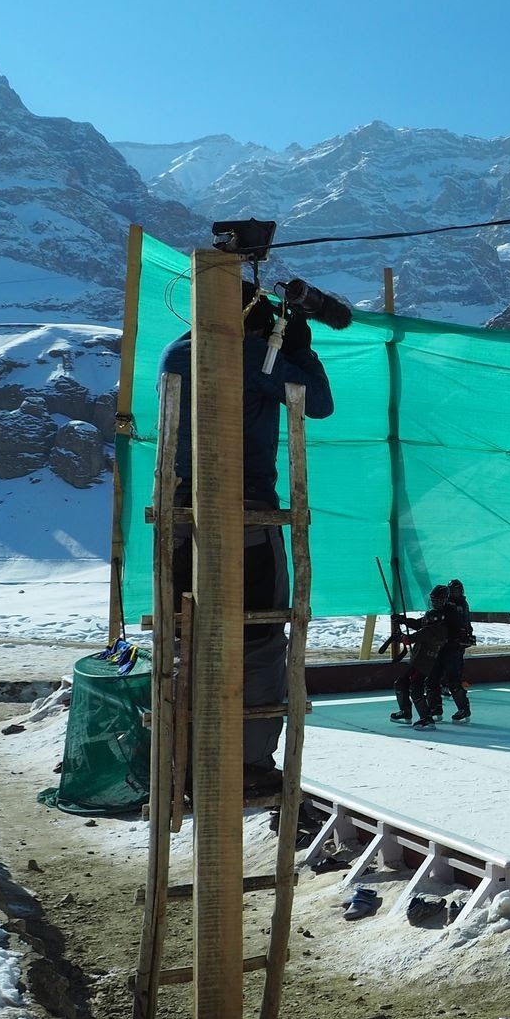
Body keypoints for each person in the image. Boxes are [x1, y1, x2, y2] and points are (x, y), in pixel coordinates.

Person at [162, 282, 335, 797]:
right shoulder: (252, 354)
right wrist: (298, 349)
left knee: (185, 637)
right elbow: (318, 403)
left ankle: (182, 763)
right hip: (247, 514)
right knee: (256, 640)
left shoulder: (177, 351)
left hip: (182, 513)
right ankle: (248, 765)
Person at [390, 585, 450, 729]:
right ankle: (405, 712)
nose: (434, 602)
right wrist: (403, 620)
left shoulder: (435, 629)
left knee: (416, 688)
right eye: (433, 600)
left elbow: (412, 637)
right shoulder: (433, 619)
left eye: (437, 600)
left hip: (423, 663)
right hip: (418, 661)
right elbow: (419, 623)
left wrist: (400, 637)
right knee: (401, 683)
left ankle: (426, 718)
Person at [433, 578, 474, 722]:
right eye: (453, 591)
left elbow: (465, 622)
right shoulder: (445, 604)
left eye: (457, 590)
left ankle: (463, 709)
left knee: (454, 679)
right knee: (433, 678)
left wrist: (466, 635)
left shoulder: (462, 605)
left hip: (455, 646)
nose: (455, 593)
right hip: (442, 645)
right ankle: (435, 707)